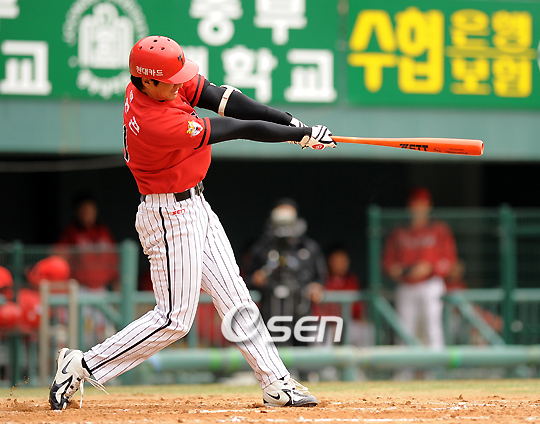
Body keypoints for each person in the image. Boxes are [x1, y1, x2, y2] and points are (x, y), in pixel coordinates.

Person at [49, 35, 336, 410]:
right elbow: (237, 127)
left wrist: (291, 123)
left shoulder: (155, 84)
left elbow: (223, 98)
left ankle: (276, 382)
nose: (178, 84)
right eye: (170, 81)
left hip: (195, 204)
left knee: (235, 297)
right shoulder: (155, 120)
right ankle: (83, 365)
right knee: (174, 318)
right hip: (168, 215)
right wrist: (298, 136)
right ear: (146, 81)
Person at [382, 187, 457, 351]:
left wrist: (430, 268)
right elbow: (387, 263)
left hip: (430, 284)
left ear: (429, 206)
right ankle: (404, 367)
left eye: (422, 203)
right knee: (404, 332)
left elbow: (450, 262)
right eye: (414, 203)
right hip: (406, 285)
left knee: (432, 330)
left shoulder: (439, 229)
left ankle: (435, 366)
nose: (417, 208)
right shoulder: (399, 231)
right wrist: (396, 270)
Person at [245, 199, 327, 346]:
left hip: (301, 314)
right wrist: (258, 278)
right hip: (270, 313)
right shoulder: (262, 248)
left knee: (303, 354)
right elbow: (248, 279)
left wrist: (316, 287)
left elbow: (319, 279)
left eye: (288, 221)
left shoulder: (309, 248)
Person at [313, 245, 374, 347]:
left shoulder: (352, 280)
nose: (341, 264)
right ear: (329, 261)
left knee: (367, 330)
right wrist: (333, 324)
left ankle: (363, 358)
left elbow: (358, 310)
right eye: (337, 260)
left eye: (344, 260)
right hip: (327, 325)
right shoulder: (322, 280)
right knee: (319, 333)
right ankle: (323, 359)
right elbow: (317, 312)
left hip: (348, 325)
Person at [56, 194, 118, 291]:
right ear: (77, 212)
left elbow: (114, 259)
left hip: (102, 287)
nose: (87, 214)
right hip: (80, 287)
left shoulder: (103, 231)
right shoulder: (71, 232)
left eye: (90, 210)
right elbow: (60, 258)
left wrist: (116, 283)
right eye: (84, 210)